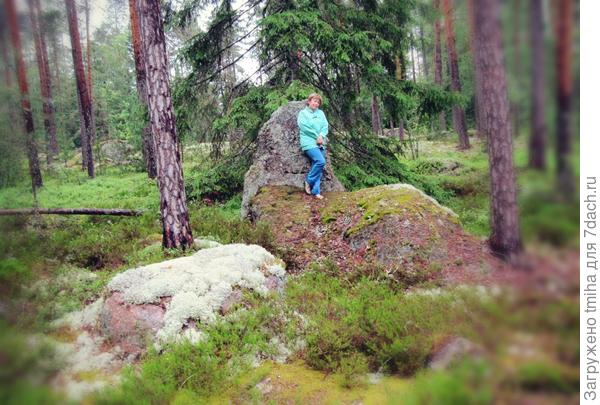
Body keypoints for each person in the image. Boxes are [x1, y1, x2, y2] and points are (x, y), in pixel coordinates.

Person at [297, 93, 329, 200]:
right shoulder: (303, 113)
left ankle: (316, 192)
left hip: (320, 142)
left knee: (318, 167)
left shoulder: (321, 113)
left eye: (318, 102)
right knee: (321, 161)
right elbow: (304, 127)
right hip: (309, 143)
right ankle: (308, 181)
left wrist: (321, 136)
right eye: (314, 101)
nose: (316, 103)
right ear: (309, 101)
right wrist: (317, 136)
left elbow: (325, 126)